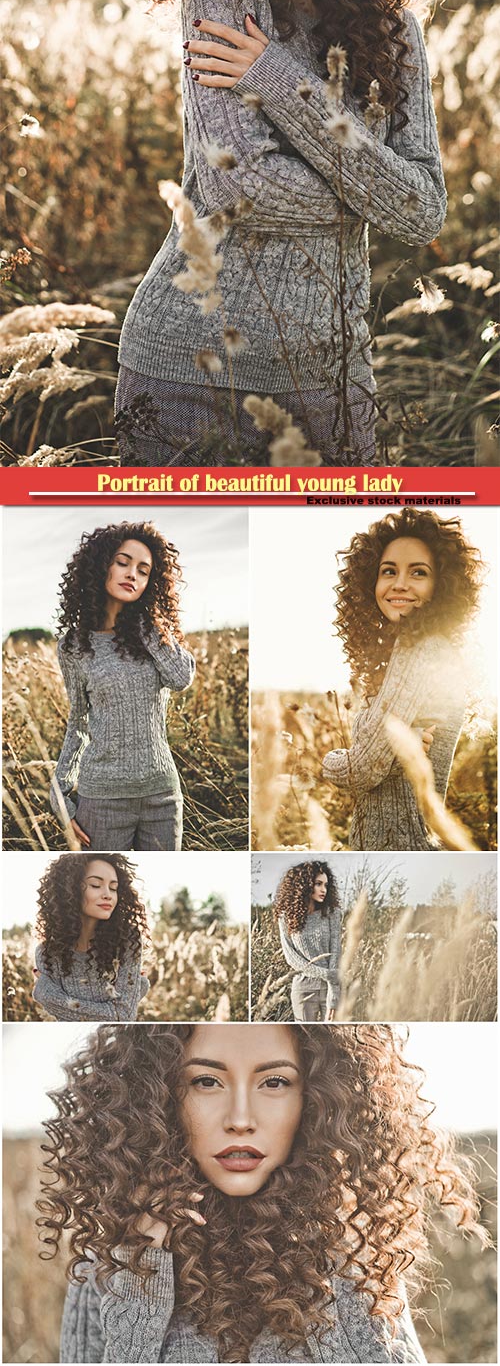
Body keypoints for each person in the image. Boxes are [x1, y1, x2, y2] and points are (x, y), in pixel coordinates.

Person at [115, 0, 446, 468]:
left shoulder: (394, 32)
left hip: (336, 378)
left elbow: (423, 210)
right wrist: (371, 187)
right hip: (186, 373)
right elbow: (243, 184)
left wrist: (273, 77)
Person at [38, 1022, 485, 1363]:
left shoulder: (354, 1249)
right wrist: (142, 1280)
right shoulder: (115, 1257)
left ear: (316, 1098)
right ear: (157, 1096)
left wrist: (338, 1262)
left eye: (274, 1082)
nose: (240, 1118)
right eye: (206, 1081)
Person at [322, 510, 484, 850]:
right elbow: (376, 757)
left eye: (418, 573)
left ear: (442, 585)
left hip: (401, 844)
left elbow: (361, 770)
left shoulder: (420, 651)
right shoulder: (412, 648)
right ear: (371, 581)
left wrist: (328, 762)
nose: (399, 584)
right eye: (389, 571)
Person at [50, 522, 195, 851]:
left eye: (144, 571)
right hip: (102, 799)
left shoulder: (151, 633)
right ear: (101, 565)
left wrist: (149, 624)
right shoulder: (74, 645)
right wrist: (60, 798)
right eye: (123, 562)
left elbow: (181, 677)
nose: (133, 574)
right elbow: (78, 722)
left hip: (162, 796)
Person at [32, 852, 149, 1022]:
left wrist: (48, 996)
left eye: (114, 888)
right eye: (95, 885)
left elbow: (123, 1016)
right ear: (69, 890)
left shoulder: (127, 942)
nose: (108, 894)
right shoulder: (47, 953)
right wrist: (134, 991)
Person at [274, 860, 342, 1019]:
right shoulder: (286, 918)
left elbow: (336, 952)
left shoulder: (332, 913)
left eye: (326, 885)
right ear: (303, 885)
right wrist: (325, 973)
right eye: (318, 884)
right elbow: (291, 958)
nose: (323, 889)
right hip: (303, 988)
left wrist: (334, 994)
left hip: (329, 988)